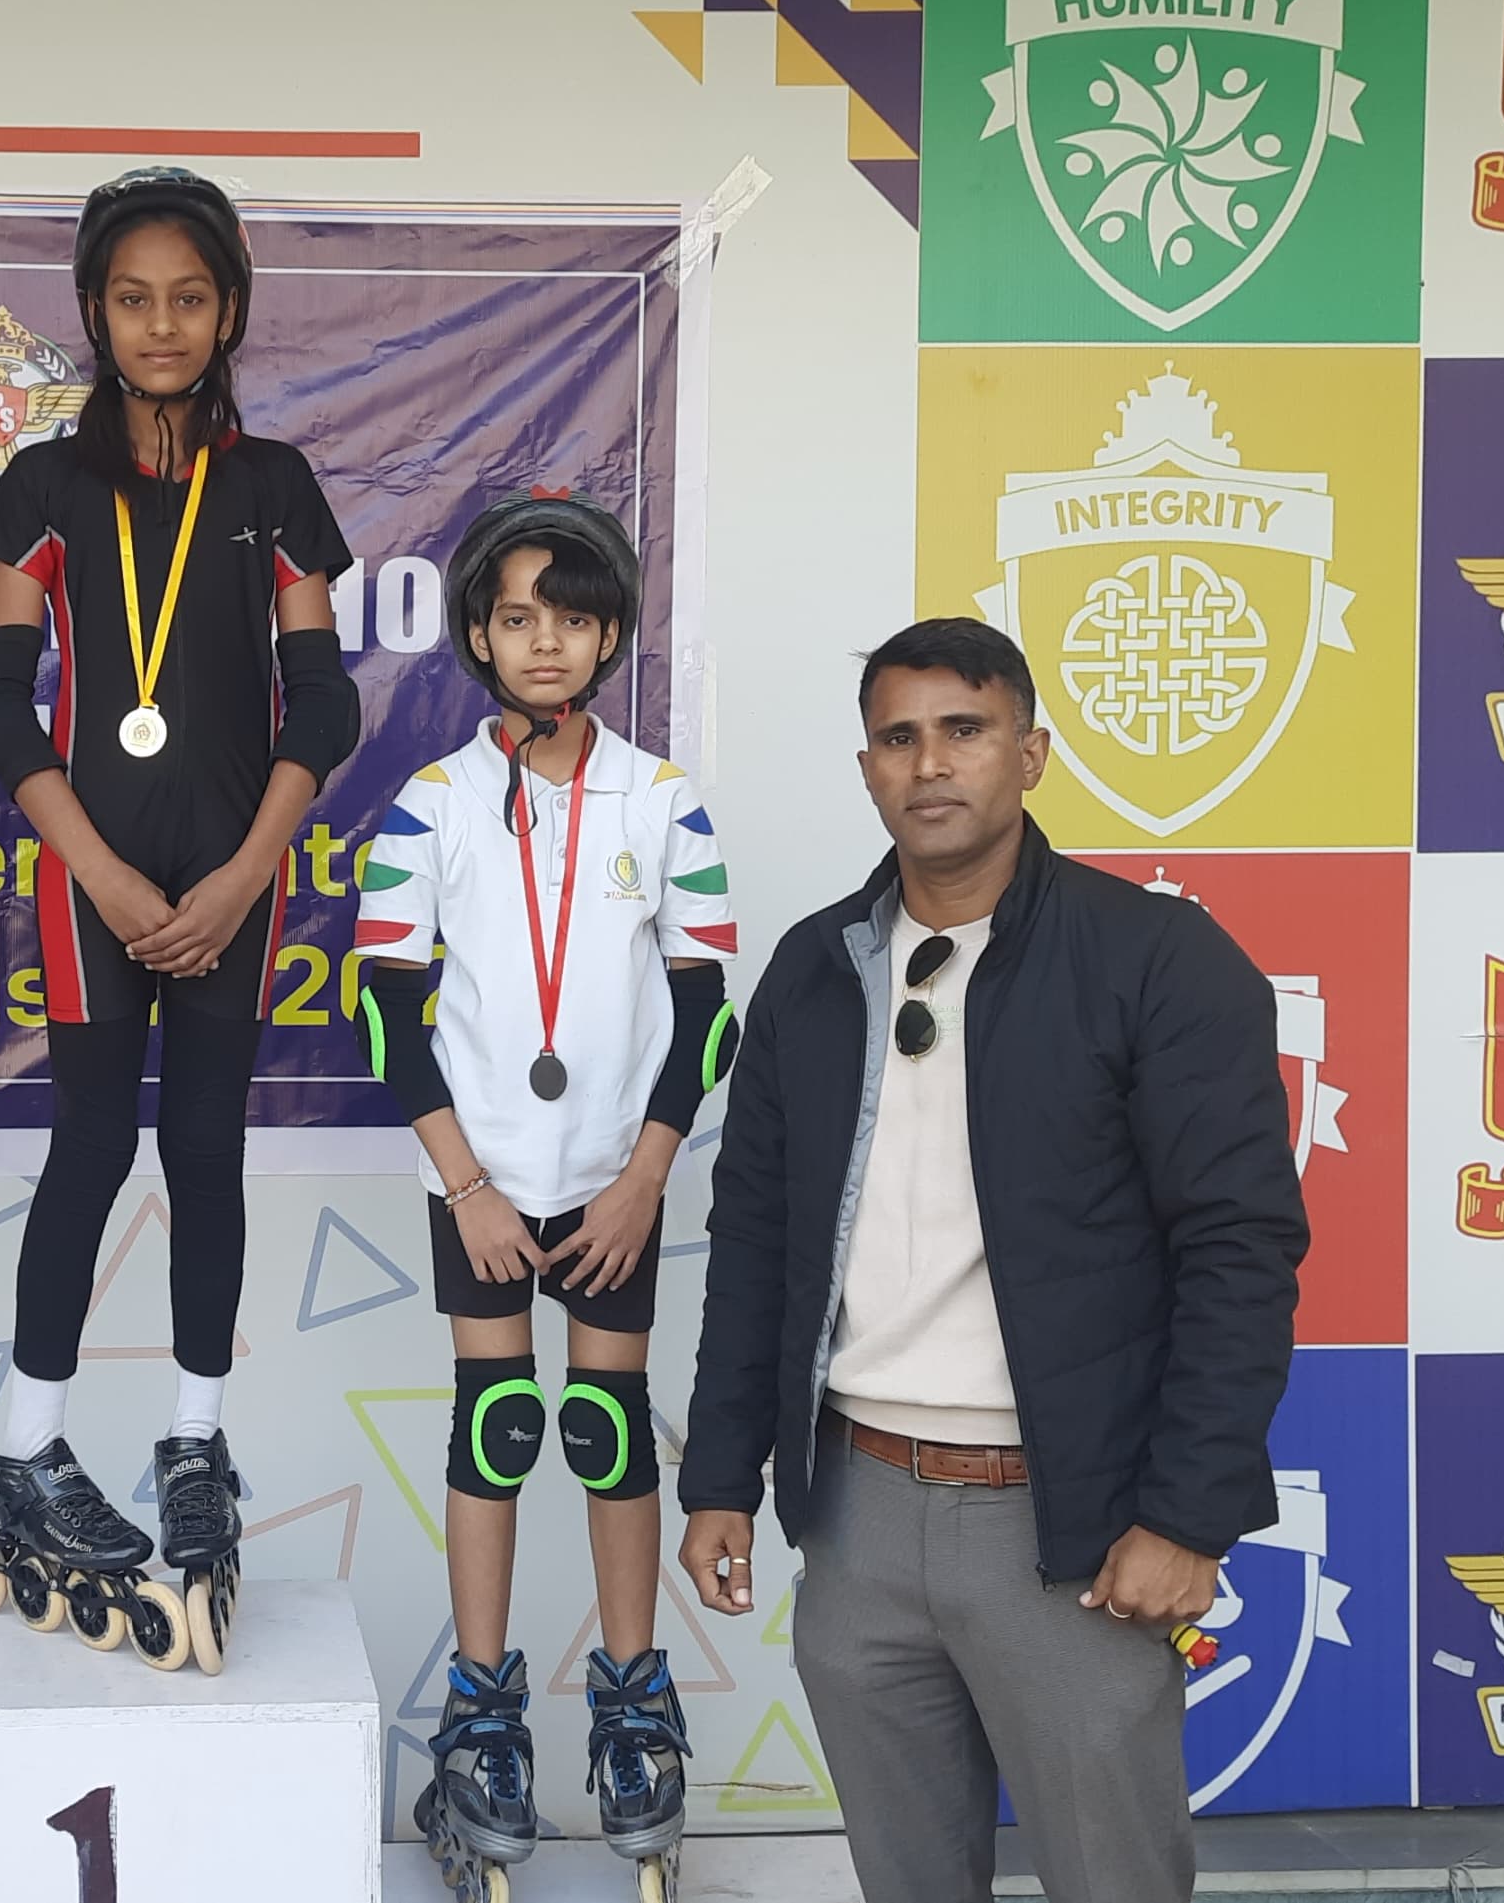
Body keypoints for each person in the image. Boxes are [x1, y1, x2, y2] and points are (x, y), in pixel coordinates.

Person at [676, 618, 1303, 1903]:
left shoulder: (1155, 958)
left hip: (1066, 1526)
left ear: (1029, 753)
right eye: (897, 737)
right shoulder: (814, 969)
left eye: (963, 730)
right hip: (854, 1515)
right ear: (866, 768)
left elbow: (1237, 1248)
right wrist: (721, 1475)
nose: (929, 763)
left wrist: (1185, 1516)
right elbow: (754, 1236)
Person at [0, 166, 359, 1674]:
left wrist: (245, 873)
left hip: (237, 875)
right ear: (93, 311)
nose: (162, 324)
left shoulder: (276, 487)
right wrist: (104, 876)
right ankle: (27, 1452)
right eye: (133, 299)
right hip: (92, 880)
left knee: (203, 1151)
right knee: (90, 1150)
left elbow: (322, 697)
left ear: (230, 309)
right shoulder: (43, 490)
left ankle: (195, 1441)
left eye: (190, 297)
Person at [355, 491, 736, 1901]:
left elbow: (707, 1008)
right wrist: (464, 1183)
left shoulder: (664, 799)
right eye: (517, 617)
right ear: (477, 635)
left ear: (612, 633)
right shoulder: (431, 802)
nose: (544, 642)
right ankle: (483, 1716)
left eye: (572, 618)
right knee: (499, 1419)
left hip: (617, 1179)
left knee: (606, 1422)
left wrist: (646, 1176)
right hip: (482, 1181)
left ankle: (632, 1707)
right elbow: (383, 1008)